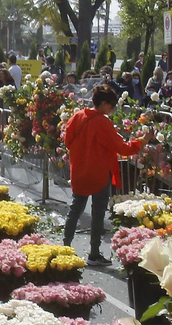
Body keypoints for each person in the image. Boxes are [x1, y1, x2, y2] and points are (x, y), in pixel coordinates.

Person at [61, 85, 148, 265]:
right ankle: (94, 253)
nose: (113, 109)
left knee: (75, 210)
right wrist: (142, 141)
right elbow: (122, 148)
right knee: (98, 213)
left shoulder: (78, 116)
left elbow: (68, 141)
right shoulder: (103, 122)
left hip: (79, 170)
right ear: (103, 104)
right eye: (111, 105)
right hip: (99, 173)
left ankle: (65, 247)